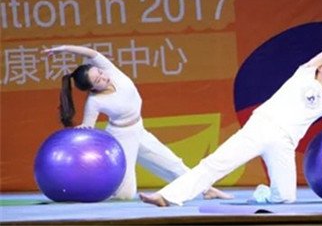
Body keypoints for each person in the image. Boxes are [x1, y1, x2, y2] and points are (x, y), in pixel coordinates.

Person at [139, 25, 322, 207]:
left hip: (284, 144)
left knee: (286, 197)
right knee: (216, 164)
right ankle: (167, 196)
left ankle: (263, 194)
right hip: (262, 127)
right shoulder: (304, 74)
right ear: (321, 68)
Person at [43, 45, 233, 201]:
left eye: (99, 72)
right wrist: (80, 130)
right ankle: (91, 192)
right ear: (92, 88)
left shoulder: (110, 70)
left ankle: (207, 190)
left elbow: (90, 53)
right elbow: (89, 128)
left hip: (138, 130)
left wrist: (63, 49)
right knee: (126, 195)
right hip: (121, 137)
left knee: (173, 163)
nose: (103, 77)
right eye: (98, 80)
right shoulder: (94, 102)